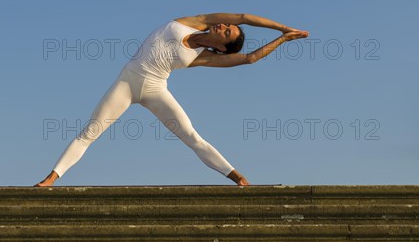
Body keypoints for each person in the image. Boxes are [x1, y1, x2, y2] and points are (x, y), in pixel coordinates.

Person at [34, 13, 309, 187]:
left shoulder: (203, 57)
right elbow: (244, 17)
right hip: (126, 82)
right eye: (227, 26)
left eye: (227, 33)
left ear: (220, 47)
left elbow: (249, 58)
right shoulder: (194, 22)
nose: (225, 26)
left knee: (192, 136)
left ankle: (237, 177)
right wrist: (283, 26)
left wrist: (283, 40)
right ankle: (50, 180)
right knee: (90, 132)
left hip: (155, 89)